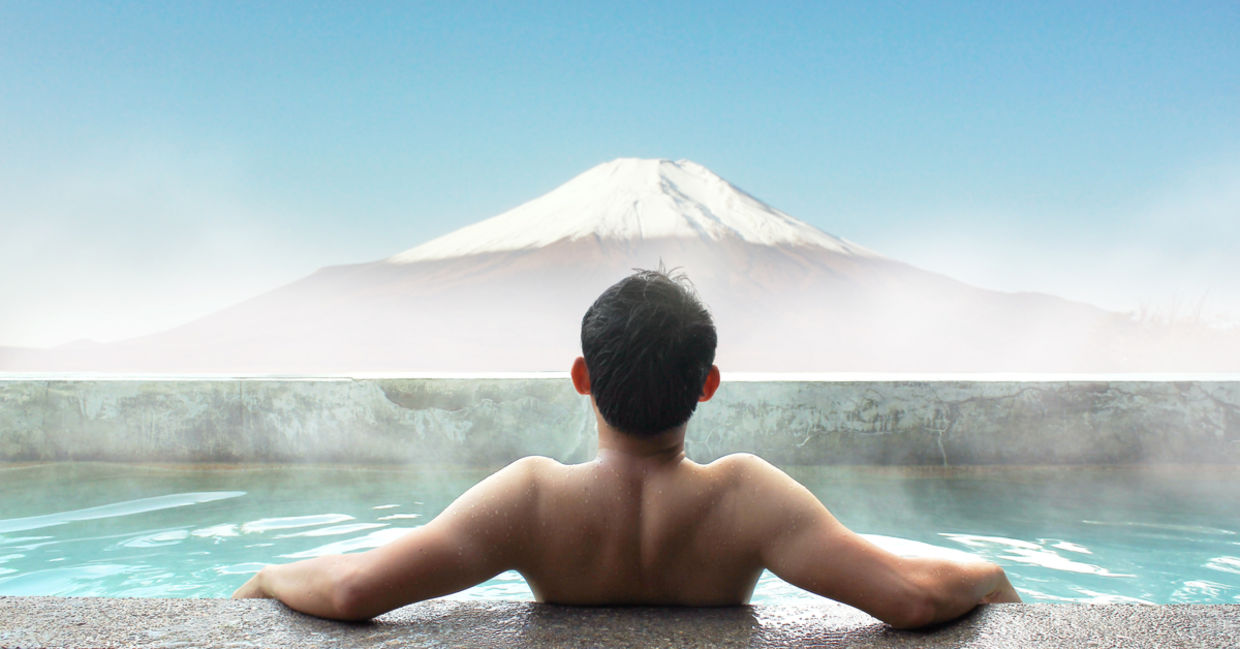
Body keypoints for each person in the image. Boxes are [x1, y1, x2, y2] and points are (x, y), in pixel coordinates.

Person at [232, 269, 1020, 627]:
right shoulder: (745, 496)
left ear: (581, 376)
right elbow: (909, 597)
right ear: (708, 383)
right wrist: (987, 573)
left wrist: (270, 573)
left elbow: (352, 593)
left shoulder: (533, 497)